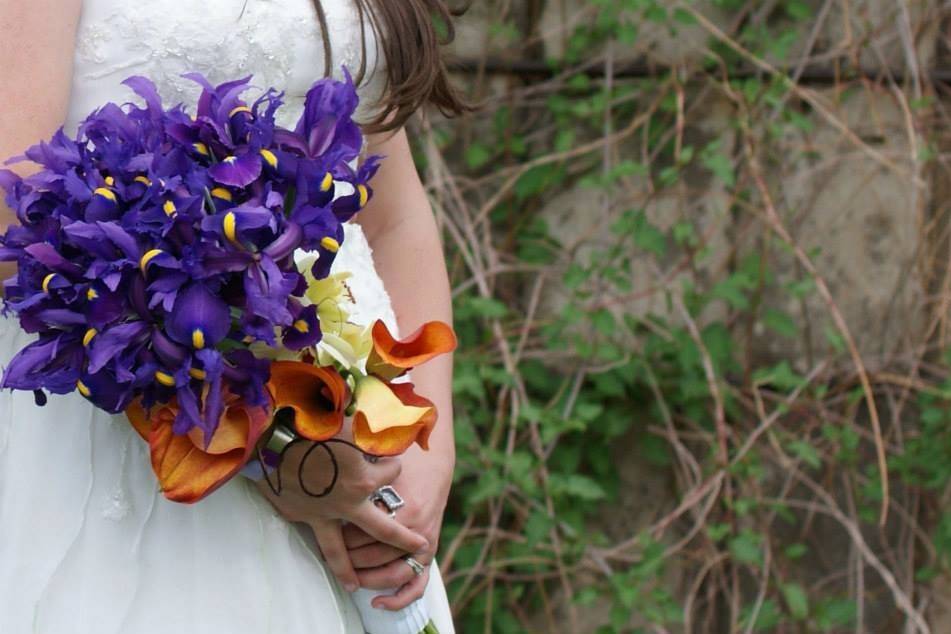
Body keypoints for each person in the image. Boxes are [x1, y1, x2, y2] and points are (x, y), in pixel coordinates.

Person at [0, 1, 463, 631]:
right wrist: (271, 447)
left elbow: (391, 215)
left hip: (357, 443)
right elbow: (13, 217)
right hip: (146, 423)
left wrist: (428, 445)